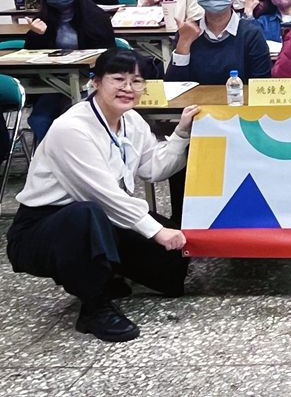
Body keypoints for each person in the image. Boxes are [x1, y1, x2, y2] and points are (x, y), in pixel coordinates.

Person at [6, 48, 199, 342]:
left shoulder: (132, 121)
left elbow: (153, 168)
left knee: (170, 270)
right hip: (46, 226)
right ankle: (94, 308)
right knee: (88, 215)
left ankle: (107, 272)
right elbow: (102, 195)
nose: (128, 88)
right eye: (118, 79)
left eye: (136, 81)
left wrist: (182, 133)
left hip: (102, 218)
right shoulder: (71, 128)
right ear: (95, 82)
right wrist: (155, 230)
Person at [25, 0, 117, 140]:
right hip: (52, 82)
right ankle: (51, 154)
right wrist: (37, 35)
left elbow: (109, 55)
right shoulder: (42, 19)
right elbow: (30, 56)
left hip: (89, 81)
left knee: (75, 121)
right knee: (40, 120)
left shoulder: (96, 17)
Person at [166, 0, 272, 84]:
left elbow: (261, 84)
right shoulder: (188, 32)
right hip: (196, 97)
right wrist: (184, 43)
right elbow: (173, 85)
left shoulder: (251, 33)